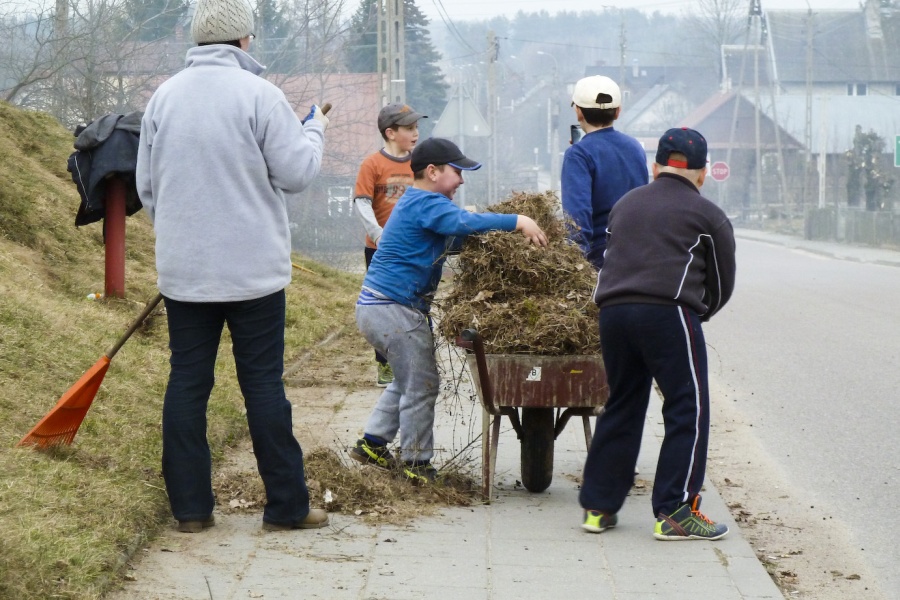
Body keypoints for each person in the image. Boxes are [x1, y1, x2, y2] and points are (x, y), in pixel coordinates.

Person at [135, 0, 329, 533]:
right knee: (263, 386)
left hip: (185, 272)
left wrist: (183, 234)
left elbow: (147, 188)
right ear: (245, 40)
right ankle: (287, 508)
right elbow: (297, 173)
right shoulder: (262, 96)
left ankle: (191, 511)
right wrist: (314, 130)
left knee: (187, 384)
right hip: (254, 275)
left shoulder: (164, 98)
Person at [350, 138, 548, 483]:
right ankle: (416, 464)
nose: (461, 180)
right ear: (433, 172)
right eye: (457, 172)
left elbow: (455, 239)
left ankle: (372, 444)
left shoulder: (420, 205)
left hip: (381, 307)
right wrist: (517, 220)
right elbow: (462, 225)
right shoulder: (425, 201)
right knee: (423, 385)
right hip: (392, 308)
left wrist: (494, 236)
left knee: (407, 379)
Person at [578, 127, 737, 540]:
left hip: (612, 312)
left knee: (623, 403)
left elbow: (608, 257)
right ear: (703, 173)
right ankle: (676, 511)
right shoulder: (708, 216)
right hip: (668, 312)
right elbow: (720, 284)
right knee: (689, 407)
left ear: (654, 167)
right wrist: (697, 314)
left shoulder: (625, 205)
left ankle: (598, 508)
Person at [353, 103, 427, 388]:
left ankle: (417, 360)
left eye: (416, 128)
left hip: (414, 248)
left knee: (415, 303)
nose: (416, 133)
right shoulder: (372, 164)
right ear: (390, 133)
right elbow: (362, 203)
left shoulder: (419, 164)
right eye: (409, 128)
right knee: (383, 307)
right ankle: (385, 364)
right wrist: (379, 234)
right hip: (379, 249)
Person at [561, 75, 648, 270]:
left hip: (601, 255)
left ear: (578, 112)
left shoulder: (578, 155)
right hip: (639, 251)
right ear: (617, 112)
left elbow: (576, 215)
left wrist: (575, 263)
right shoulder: (635, 147)